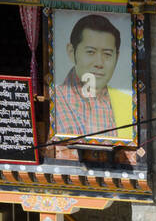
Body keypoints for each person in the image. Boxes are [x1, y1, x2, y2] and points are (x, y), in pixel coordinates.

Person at [51, 13, 132, 141]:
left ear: (117, 57)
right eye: (90, 52)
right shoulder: (55, 100)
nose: (99, 63)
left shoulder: (128, 103)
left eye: (107, 54)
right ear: (72, 52)